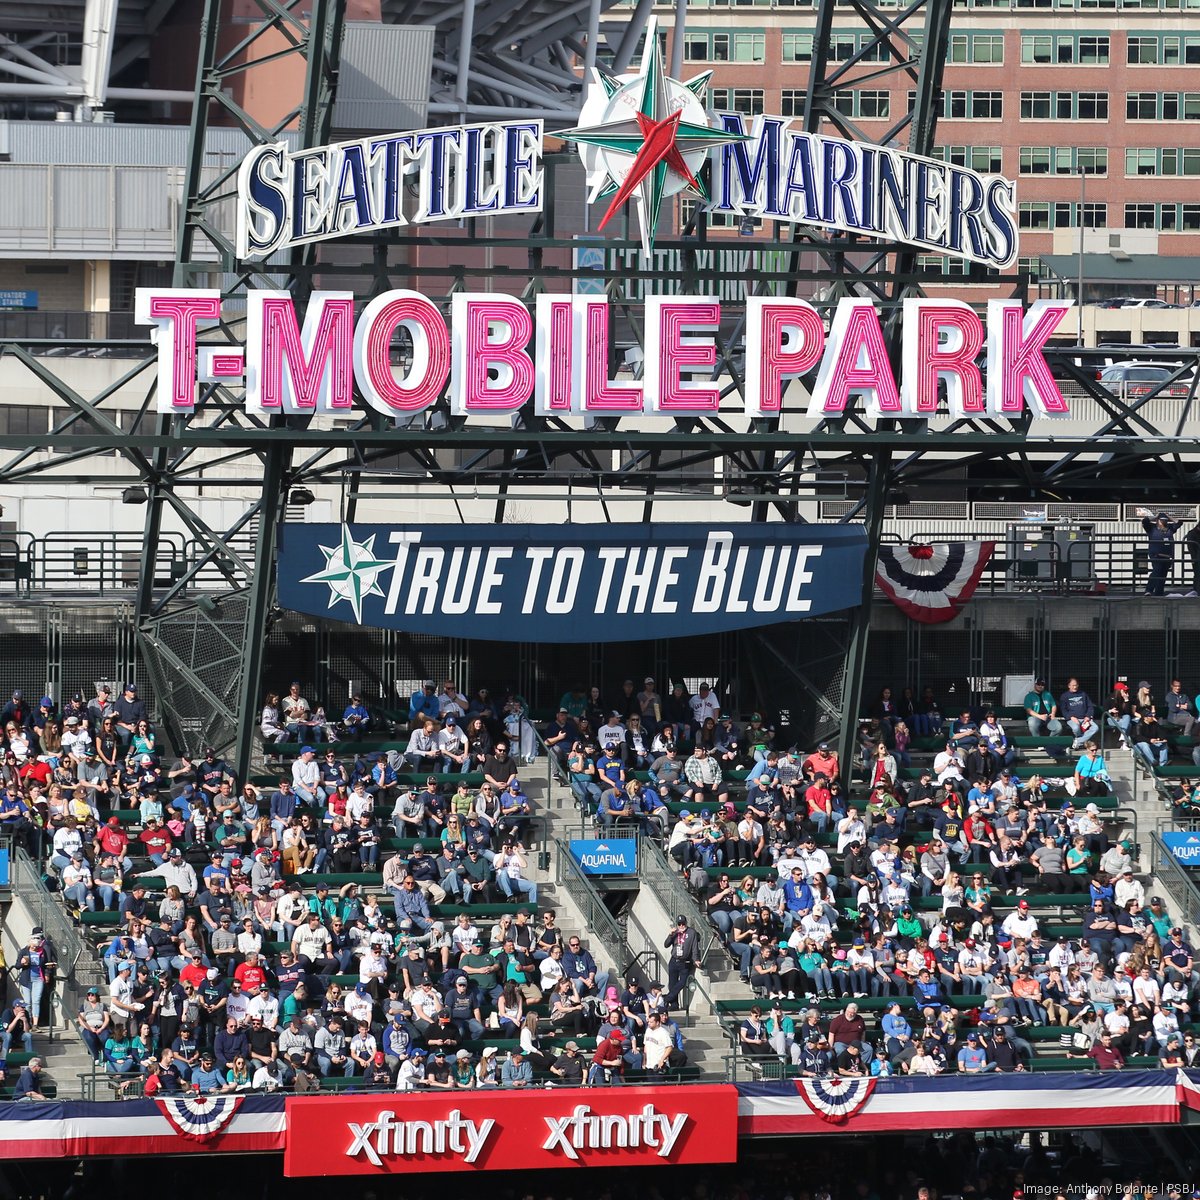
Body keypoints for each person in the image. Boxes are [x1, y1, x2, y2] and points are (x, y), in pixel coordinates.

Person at [1137, 508, 1183, 596]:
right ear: (1158, 521)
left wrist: (1169, 517)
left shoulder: (1170, 528)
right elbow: (1145, 521)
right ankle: (1149, 590)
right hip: (1156, 555)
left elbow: (1179, 523)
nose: (1164, 522)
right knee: (1156, 571)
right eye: (1162, 520)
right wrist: (1155, 517)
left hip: (1167, 555)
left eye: (1165, 521)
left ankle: (1159, 592)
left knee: (1163, 574)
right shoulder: (1152, 528)